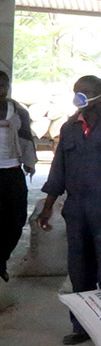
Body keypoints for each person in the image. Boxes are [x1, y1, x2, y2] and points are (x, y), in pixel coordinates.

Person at [37, 75, 101, 345]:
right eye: (76, 92)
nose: (79, 97)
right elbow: (58, 169)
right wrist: (48, 206)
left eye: (85, 92)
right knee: (79, 269)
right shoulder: (70, 129)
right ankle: (82, 326)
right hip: (77, 209)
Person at [0, 71, 37, 282]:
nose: (0, 90)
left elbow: (26, 139)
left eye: (3, 85)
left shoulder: (17, 111)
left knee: (15, 219)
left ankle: (2, 258)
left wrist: (30, 163)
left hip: (12, 170)